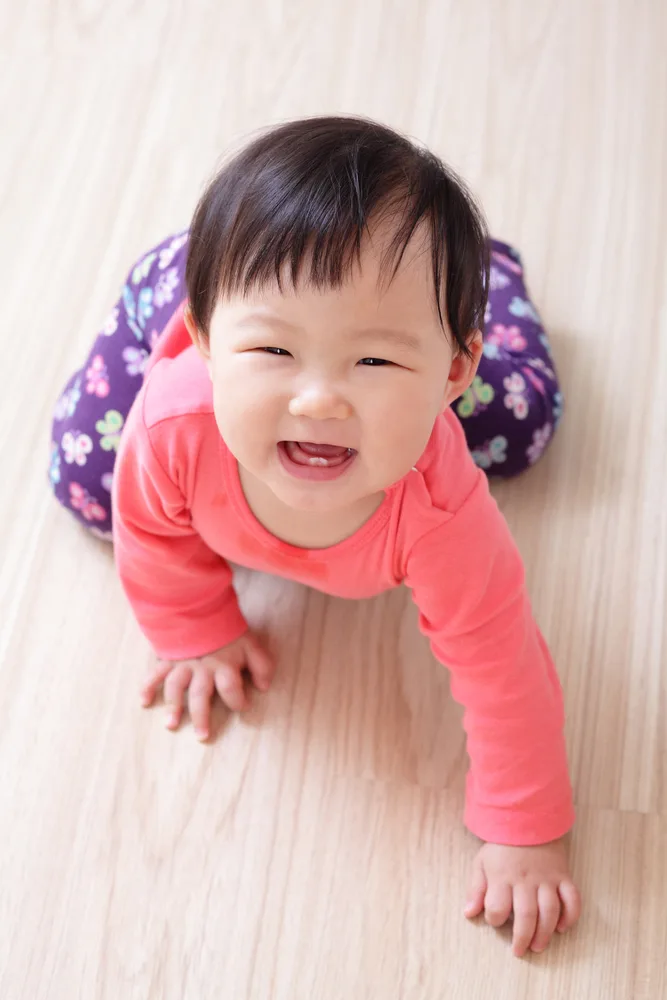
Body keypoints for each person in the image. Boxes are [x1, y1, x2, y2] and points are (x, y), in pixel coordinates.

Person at [48, 116, 578, 957]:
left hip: (288, 316)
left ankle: (492, 274)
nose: (319, 400)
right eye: (272, 351)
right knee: (82, 486)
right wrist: (194, 630)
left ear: (451, 370)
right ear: (210, 340)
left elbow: (501, 663)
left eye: (374, 363)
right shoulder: (176, 422)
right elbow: (149, 530)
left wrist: (525, 827)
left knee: (528, 423)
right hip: (175, 296)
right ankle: (189, 278)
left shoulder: (442, 514)